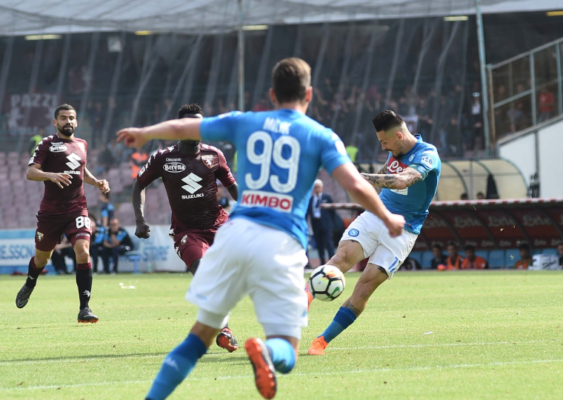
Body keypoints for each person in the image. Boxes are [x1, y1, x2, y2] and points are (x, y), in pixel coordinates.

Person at [117, 57, 405, 400]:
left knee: (197, 339)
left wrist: (144, 133)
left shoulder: (246, 122)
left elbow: (183, 129)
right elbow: (355, 185)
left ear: (271, 94)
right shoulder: (321, 136)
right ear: (309, 94)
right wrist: (387, 217)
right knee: (287, 349)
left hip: (235, 233)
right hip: (281, 243)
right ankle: (267, 352)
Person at [306, 110, 441, 356]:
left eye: (384, 142)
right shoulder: (394, 150)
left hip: (404, 230)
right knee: (341, 258)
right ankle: (302, 305)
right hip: (376, 216)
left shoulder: (427, 155)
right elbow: (384, 174)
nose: (383, 147)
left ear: (399, 135)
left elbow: (401, 181)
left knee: (365, 286)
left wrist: (358, 176)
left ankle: (322, 341)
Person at [132, 103, 240, 353]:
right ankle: (224, 329)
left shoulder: (214, 155)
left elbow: (232, 186)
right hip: (187, 231)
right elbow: (139, 185)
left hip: (219, 226)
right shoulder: (163, 157)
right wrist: (140, 220)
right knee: (202, 272)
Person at [15, 104, 110, 323]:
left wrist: (96, 182)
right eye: (64, 118)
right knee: (42, 259)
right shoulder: (46, 143)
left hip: (77, 208)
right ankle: (30, 282)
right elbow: (30, 172)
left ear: (76, 121)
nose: (68, 121)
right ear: (55, 122)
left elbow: (81, 170)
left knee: (83, 251)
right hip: (51, 213)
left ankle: (84, 308)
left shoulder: (82, 144)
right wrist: (50, 175)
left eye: (71, 118)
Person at [307, 179, 336, 265]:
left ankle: (332, 262)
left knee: (329, 242)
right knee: (319, 244)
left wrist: (331, 223)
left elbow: (332, 211)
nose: (317, 189)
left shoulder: (327, 197)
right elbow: (308, 212)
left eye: (318, 187)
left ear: (322, 188)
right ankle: (322, 262)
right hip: (316, 223)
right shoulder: (311, 199)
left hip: (326, 224)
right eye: (315, 187)